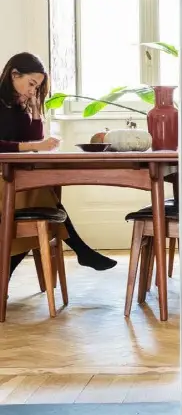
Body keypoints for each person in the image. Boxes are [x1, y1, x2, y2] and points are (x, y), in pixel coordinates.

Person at [0, 51, 117, 277]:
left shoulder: (17, 105)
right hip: (3, 182)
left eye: (37, 87)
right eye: (31, 83)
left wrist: (34, 111)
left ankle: (4, 276)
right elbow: (30, 146)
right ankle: (82, 250)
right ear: (14, 74)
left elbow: (34, 140)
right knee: (40, 197)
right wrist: (32, 147)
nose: (33, 90)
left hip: (11, 179)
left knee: (41, 200)